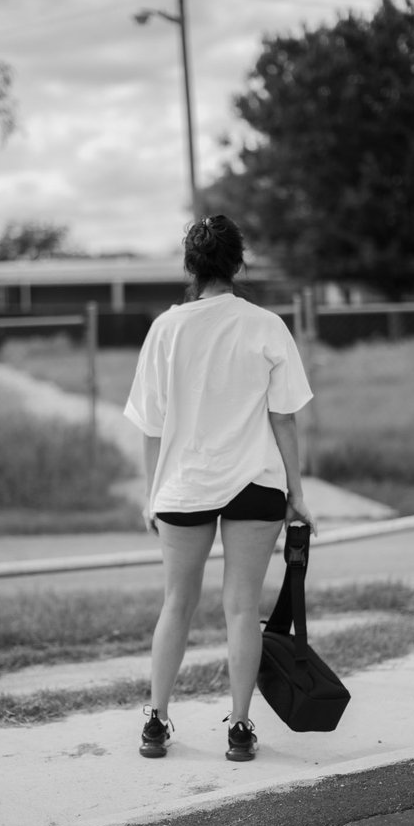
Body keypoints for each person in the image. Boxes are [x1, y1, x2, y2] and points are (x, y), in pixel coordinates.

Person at [123, 213, 316, 762]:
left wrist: (150, 494)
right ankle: (239, 727)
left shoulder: (166, 328)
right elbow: (284, 419)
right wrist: (297, 493)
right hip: (256, 483)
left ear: (191, 266)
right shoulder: (266, 325)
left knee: (176, 604)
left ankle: (156, 723)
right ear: (237, 263)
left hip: (184, 486)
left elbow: (152, 425)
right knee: (240, 609)